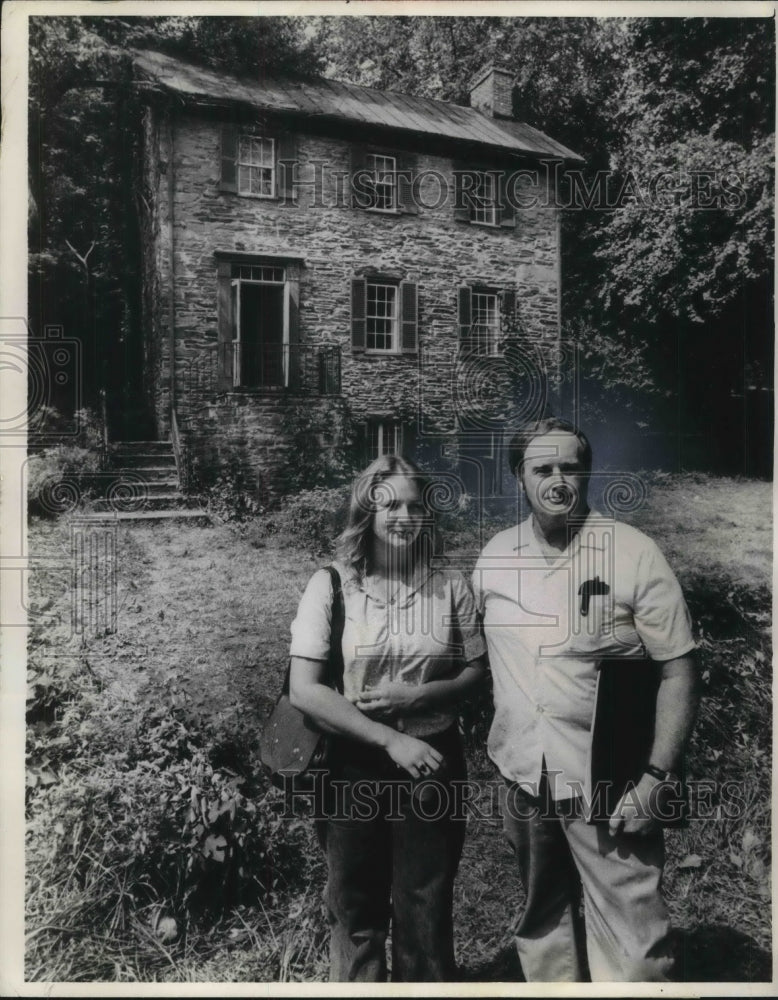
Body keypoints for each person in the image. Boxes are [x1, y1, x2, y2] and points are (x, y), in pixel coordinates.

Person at [472, 417, 699, 982]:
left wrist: (655, 779)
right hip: (524, 774)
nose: (557, 480)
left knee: (635, 946)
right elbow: (471, 654)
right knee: (542, 923)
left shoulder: (633, 553)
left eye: (569, 467)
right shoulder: (495, 559)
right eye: (541, 468)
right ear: (518, 479)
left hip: (611, 780)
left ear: (588, 472)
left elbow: (680, 672)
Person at [289, 455, 488, 982]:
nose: (404, 516)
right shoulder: (331, 586)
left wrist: (417, 698)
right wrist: (385, 737)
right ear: (367, 512)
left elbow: (475, 672)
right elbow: (304, 691)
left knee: (426, 904)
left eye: (416, 505)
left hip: (431, 759)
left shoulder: (450, 585)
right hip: (351, 764)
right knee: (355, 908)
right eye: (390, 504)